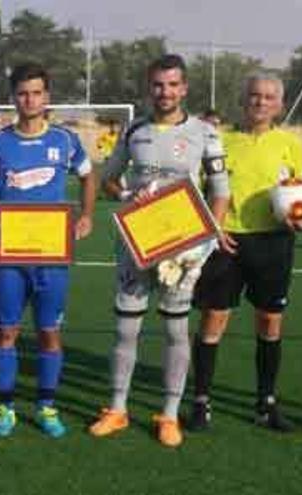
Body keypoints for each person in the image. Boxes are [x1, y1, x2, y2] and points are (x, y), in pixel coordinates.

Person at [91, 54, 230, 447]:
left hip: (183, 248)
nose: (165, 92)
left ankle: (169, 414)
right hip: (137, 243)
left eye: (172, 85)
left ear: (184, 88)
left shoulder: (205, 132)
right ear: (149, 87)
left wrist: (210, 236)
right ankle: (117, 408)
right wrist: (128, 193)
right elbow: (109, 181)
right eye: (158, 85)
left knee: (175, 328)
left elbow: (219, 191)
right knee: (126, 327)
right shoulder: (134, 130)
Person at [0, 63, 96, 439]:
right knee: (5, 332)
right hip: (7, 255)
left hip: (52, 256)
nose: (30, 99)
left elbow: (90, 176)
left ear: (47, 97)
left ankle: (46, 406)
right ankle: (5, 406)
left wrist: (87, 215)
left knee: (49, 332)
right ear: (13, 98)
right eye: (23, 93)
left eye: (37, 92)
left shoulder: (65, 140)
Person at [189, 73, 302, 432]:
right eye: (255, 95)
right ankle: (201, 401)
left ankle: (266, 404)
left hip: (273, 242)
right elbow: (197, 191)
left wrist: (297, 217)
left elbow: (301, 198)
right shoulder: (219, 142)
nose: (261, 102)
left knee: (270, 322)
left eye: (269, 97)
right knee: (213, 320)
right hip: (226, 243)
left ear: (280, 105)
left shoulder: (292, 145)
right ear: (243, 99)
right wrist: (212, 228)